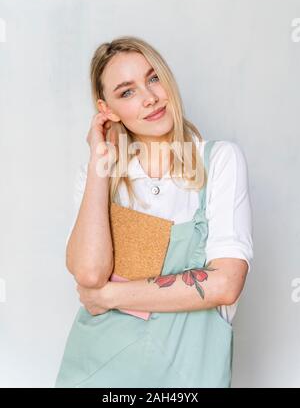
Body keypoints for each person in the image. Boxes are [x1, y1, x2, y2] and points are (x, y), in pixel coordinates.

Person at [54, 36, 253, 388]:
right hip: (95, 374)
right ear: (107, 110)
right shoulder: (100, 175)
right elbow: (88, 272)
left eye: (153, 78)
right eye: (127, 92)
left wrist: (109, 295)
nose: (149, 98)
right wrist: (100, 166)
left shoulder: (218, 161)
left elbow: (226, 283)